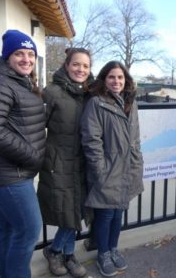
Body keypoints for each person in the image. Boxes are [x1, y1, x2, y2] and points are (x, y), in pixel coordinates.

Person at [0, 29, 46, 277]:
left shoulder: (18, 82)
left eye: (30, 54)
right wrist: (33, 156)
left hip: (13, 171)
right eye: (19, 53)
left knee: (7, 229)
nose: (26, 59)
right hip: (9, 174)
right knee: (28, 229)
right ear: (8, 57)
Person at [80, 61, 144, 277]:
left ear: (126, 80)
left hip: (128, 167)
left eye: (120, 78)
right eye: (111, 77)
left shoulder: (130, 102)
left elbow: (135, 138)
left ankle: (114, 248)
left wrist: (137, 163)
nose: (116, 81)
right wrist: (100, 170)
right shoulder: (96, 103)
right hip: (108, 169)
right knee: (105, 214)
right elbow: (91, 140)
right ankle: (103, 253)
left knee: (118, 213)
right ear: (104, 80)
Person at [37, 48, 94, 277]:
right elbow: (36, 127)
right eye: (76, 64)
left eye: (86, 66)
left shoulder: (91, 94)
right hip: (58, 162)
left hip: (83, 162)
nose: (81, 69)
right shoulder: (51, 92)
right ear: (67, 65)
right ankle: (63, 253)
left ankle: (59, 250)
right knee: (68, 212)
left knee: (78, 210)